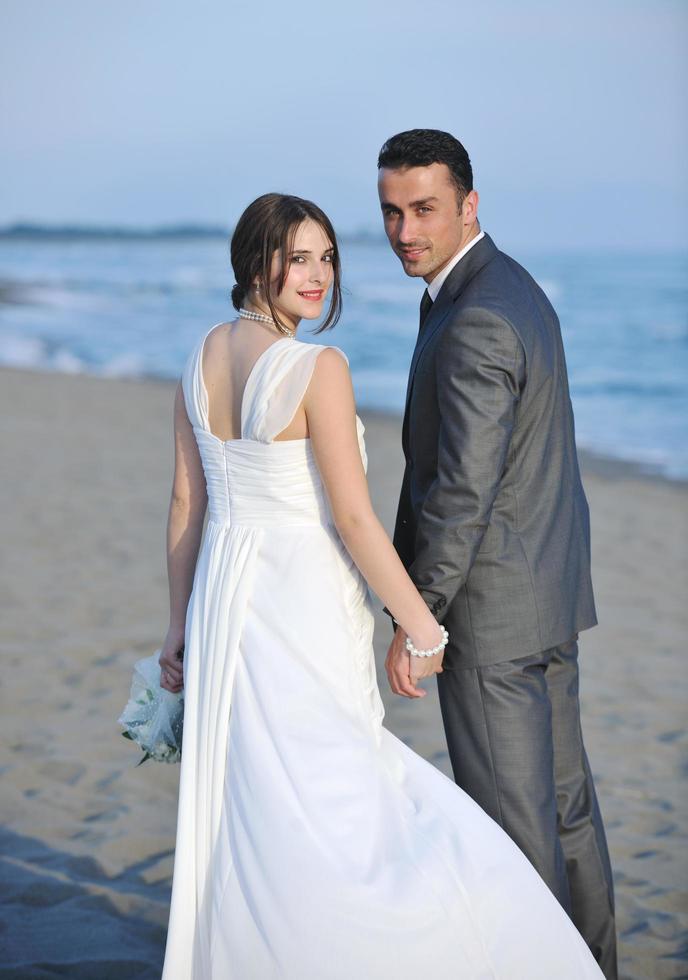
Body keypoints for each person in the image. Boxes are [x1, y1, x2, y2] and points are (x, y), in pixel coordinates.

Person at [157, 191, 603, 979]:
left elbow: (187, 505)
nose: (318, 274)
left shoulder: (199, 359)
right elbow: (357, 523)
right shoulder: (314, 368)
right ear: (253, 261)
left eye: (327, 257)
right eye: (297, 257)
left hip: (227, 595)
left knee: (257, 789)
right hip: (298, 600)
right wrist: (422, 627)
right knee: (336, 788)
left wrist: (178, 626)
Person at [378, 129, 617, 978]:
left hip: (495, 623)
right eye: (393, 212)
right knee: (565, 816)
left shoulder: (475, 313)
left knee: (519, 838)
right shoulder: (512, 287)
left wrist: (421, 618)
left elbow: (462, 490)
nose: (407, 231)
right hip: (550, 600)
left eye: (425, 209)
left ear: (468, 205)